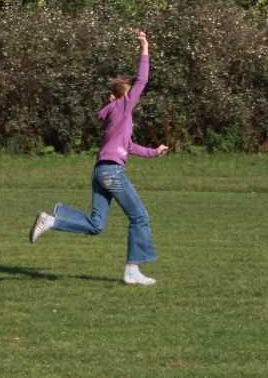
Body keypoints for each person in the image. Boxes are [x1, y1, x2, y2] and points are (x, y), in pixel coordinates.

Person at [28, 30, 168, 285]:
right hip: (112, 172)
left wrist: (153, 152)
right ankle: (132, 271)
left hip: (101, 171)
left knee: (96, 225)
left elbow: (129, 146)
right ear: (124, 95)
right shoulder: (123, 106)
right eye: (131, 93)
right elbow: (142, 79)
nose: (135, 97)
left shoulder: (116, 115)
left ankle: (52, 221)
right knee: (140, 217)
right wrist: (145, 47)